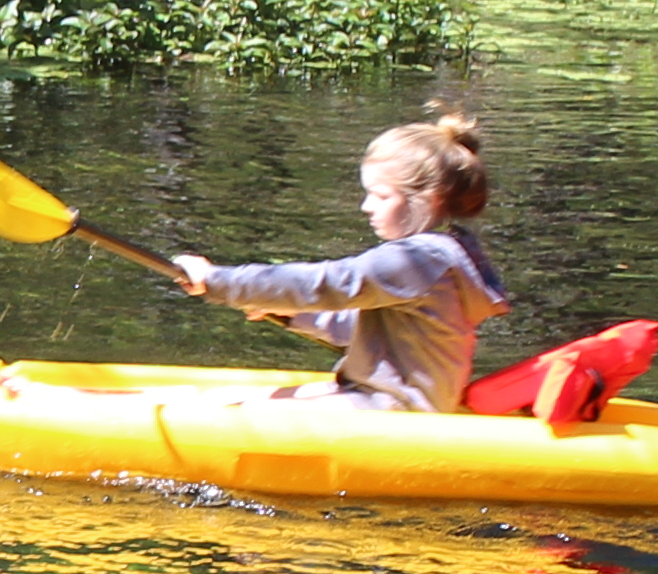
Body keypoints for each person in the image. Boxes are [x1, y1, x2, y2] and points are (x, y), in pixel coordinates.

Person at [172, 111, 506, 411]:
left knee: (228, 410)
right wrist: (293, 314)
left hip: (395, 409)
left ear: (427, 200)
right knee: (227, 400)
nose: (366, 206)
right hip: (385, 398)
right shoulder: (444, 252)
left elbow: (326, 284)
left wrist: (217, 280)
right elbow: (358, 326)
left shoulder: (415, 260)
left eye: (380, 195)